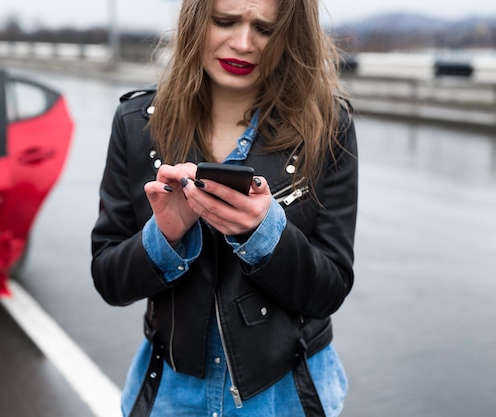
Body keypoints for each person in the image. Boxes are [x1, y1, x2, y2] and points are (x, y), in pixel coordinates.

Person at [91, 0, 358, 415]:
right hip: (172, 395)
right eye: (225, 21)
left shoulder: (329, 127)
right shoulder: (137, 123)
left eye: (265, 29)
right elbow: (109, 279)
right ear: (196, 20)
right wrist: (164, 238)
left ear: (290, 36)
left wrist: (266, 235)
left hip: (285, 395)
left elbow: (330, 288)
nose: (244, 42)